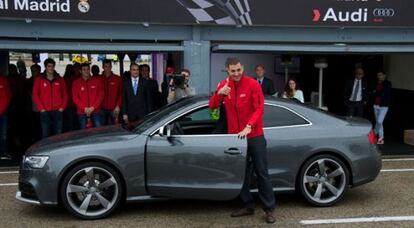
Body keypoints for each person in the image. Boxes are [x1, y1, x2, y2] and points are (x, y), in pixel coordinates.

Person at [209, 57, 276, 224]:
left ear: (242, 68)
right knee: (242, 173)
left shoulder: (253, 84)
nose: (236, 73)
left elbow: (259, 108)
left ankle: (269, 209)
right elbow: (212, 106)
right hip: (236, 138)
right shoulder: (224, 86)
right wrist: (219, 94)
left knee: (262, 172)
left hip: (254, 135)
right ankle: (248, 205)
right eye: (233, 71)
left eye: (239, 70)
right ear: (228, 71)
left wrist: (248, 126)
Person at [32, 58, 68, 139]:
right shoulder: (39, 80)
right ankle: (45, 152)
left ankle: (57, 151)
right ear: (45, 67)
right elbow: (35, 94)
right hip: (45, 111)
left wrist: (62, 108)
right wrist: (41, 109)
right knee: (45, 134)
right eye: (49, 66)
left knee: (58, 134)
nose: (51, 68)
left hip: (57, 111)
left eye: (52, 66)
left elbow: (65, 94)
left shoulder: (60, 79)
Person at [72, 63, 104, 129]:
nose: (86, 71)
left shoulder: (97, 81)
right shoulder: (76, 83)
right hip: (82, 112)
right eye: (84, 70)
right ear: (80, 71)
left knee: (98, 131)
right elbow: (75, 98)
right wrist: (85, 108)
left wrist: (93, 107)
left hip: (95, 111)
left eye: (87, 69)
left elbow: (101, 96)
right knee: (84, 133)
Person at [101, 59, 123, 125]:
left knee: (115, 128)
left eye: (109, 66)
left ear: (111, 67)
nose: (107, 68)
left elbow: (121, 93)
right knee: (102, 128)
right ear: (103, 67)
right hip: (102, 108)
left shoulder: (117, 79)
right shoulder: (99, 79)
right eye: (105, 66)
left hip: (114, 108)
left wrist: (118, 106)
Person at [373, 71, 392, 144]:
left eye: (380, 75)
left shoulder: (388, 83)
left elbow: (383, 93)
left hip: (384, 106)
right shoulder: (376, 83)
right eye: (378, 75)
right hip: (375, 105)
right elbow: (373, 93)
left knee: (379, 121)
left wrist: (376, 92)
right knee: (379, 122)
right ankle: (381, 138)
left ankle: (374, 133)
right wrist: (376, 92)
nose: (379, 76)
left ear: (384, 75)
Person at [0, 74, 12, 160]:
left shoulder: (3, 80)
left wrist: (3, 108)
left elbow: (9, 95)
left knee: (3, 134)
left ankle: (3, 152)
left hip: (3, 112)